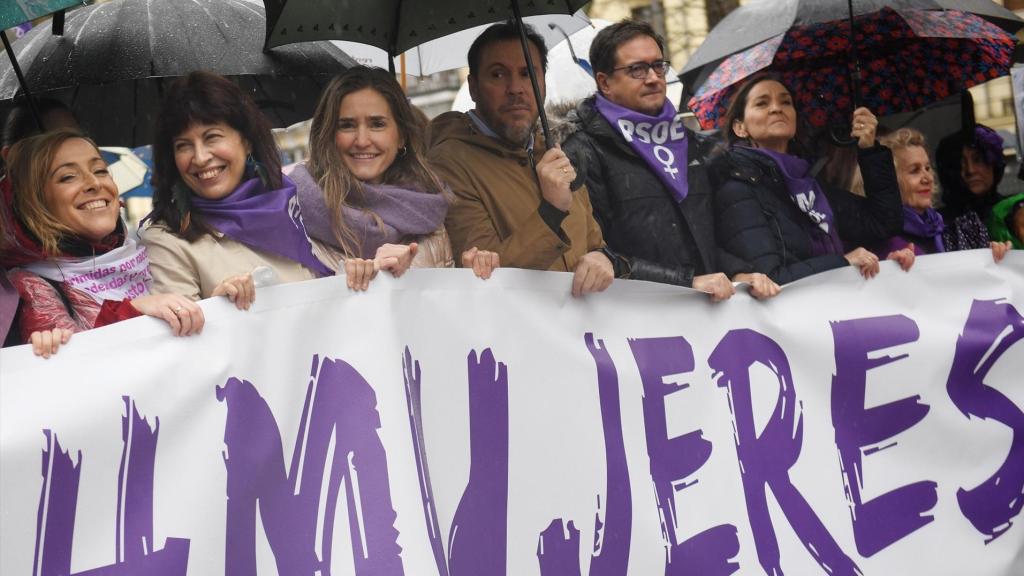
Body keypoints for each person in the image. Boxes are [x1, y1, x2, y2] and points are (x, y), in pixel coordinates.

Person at [560, 20, 777, 300]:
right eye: (636, 69)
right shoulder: (581, 151)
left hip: (709, 311)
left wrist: (738, 272)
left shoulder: (688, 142)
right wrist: (687, 283)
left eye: (658, 65)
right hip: (637, 321)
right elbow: (595, 255)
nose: (653, 78)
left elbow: (705, 235)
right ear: (604, 82)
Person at [428, 21, 614, 297]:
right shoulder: (449, 164)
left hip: (582, 333)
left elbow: (594, 244)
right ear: (473, 87)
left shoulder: (555, 151)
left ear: (543, 83)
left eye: (527, 73)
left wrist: (603, 258)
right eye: (498, 75)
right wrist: (550, 213)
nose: (516, 88)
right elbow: (484, 277)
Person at [288, 66, 497, 289]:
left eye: (377, 124)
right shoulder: (292, 212)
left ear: (401, 137)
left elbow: (441, 309)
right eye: (347, 125)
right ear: (329, 135)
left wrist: (473, 276)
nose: (362, 140)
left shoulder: (429, 209)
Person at [140, 71, 334, 309]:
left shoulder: (291, 203)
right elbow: (182, 338)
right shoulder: (167, 241)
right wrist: (217, 309)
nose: (200, 158)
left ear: (247, 141)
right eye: (184, 145)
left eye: (212, 137)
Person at [2, 130, 203, 357]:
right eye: (67, 177)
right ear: (34, 203)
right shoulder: (32, 286)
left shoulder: (149, 247)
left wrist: (222, 300)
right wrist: (133, 310)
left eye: (100, 170)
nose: (94, 183)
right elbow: (77, 371)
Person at [713, 73, 903, 284]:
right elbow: (769, 278)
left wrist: (869, 150)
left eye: (786, 102)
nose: (777, 108)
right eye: (762, 103)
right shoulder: (737, 189)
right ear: (740, 128)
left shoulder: (809, 183)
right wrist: (842, 261)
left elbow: (883, 222)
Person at [0, 98, 81, 347]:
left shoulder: (109, 237)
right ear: (11, 157)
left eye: (73, 139)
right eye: (50, 141)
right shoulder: (15, 267)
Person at [868, 127, 1011, 262]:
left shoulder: (950, 229)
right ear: (888, 181)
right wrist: (889, 269)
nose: (927, 178)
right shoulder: (877, 238)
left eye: (927, 168)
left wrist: (991, 256)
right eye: (914, 170)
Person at [935, 124, 1018, 251]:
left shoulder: (1015, 212)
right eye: (960, 163)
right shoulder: (938, 224)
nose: (970, 170)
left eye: (978, 159)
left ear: (994, 164)